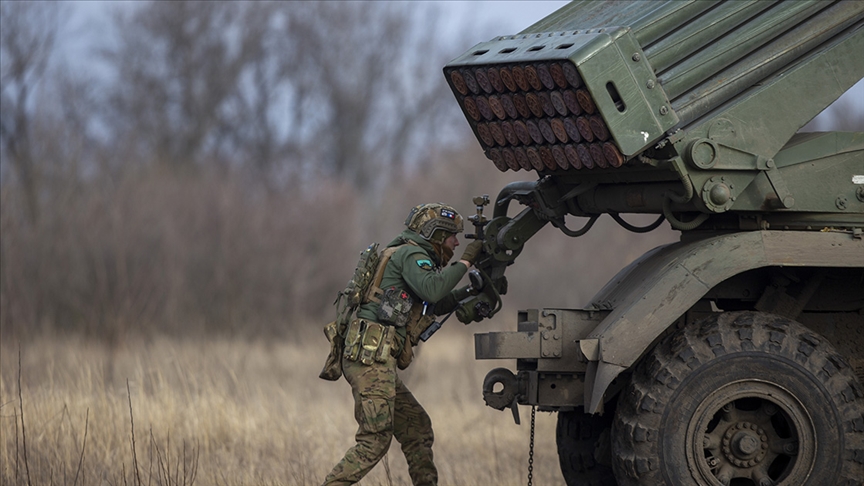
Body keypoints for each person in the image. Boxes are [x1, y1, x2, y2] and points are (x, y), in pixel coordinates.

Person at [322, 203, 483, 486]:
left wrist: (470, 290)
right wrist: (467, 261)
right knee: (375, 439)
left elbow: (433, 301)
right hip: (370, 360)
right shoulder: (412, 254)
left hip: (373, 358)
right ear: (435, 234)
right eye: (452, 237)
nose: (457, 242)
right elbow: (433, 288)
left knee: (417, 428)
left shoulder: (408, 255)